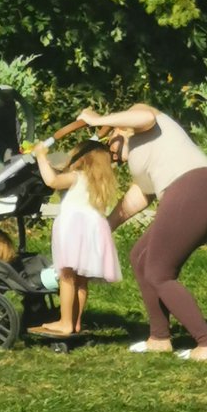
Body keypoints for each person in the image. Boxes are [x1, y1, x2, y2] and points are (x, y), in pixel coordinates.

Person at [77, 103, 207, 362]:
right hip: (199, 192)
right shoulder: (143, 154)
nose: (112, 156)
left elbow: (145, 114)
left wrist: (97, 119)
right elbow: (139, 196)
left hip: (196, 187)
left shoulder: (146, 125)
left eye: (110, 146)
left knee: (159, 272)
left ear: (119, 129)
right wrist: (106, 226)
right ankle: (159, 338)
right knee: (140, 257)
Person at [28, 138, 122, 336]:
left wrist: (41, 156)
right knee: (81, 280)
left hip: (73, 228)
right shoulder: (99, 182)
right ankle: (76, 322)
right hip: (94, 230)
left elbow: (52, 181)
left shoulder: (76, 177)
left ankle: (65, 322)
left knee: (66, 276)